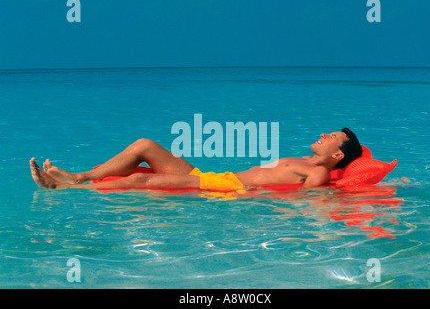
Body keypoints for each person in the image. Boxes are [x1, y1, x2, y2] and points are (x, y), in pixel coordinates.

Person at [30, 128, 362, 191]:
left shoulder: (315, 174)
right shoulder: (301, 159)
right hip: (215, 175)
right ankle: (82, 175)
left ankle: (66, 187)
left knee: (141, 179)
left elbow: (310, 208)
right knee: (145, 146)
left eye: (331, 137)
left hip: (226, 187)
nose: (323, 134)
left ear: (336, 154)